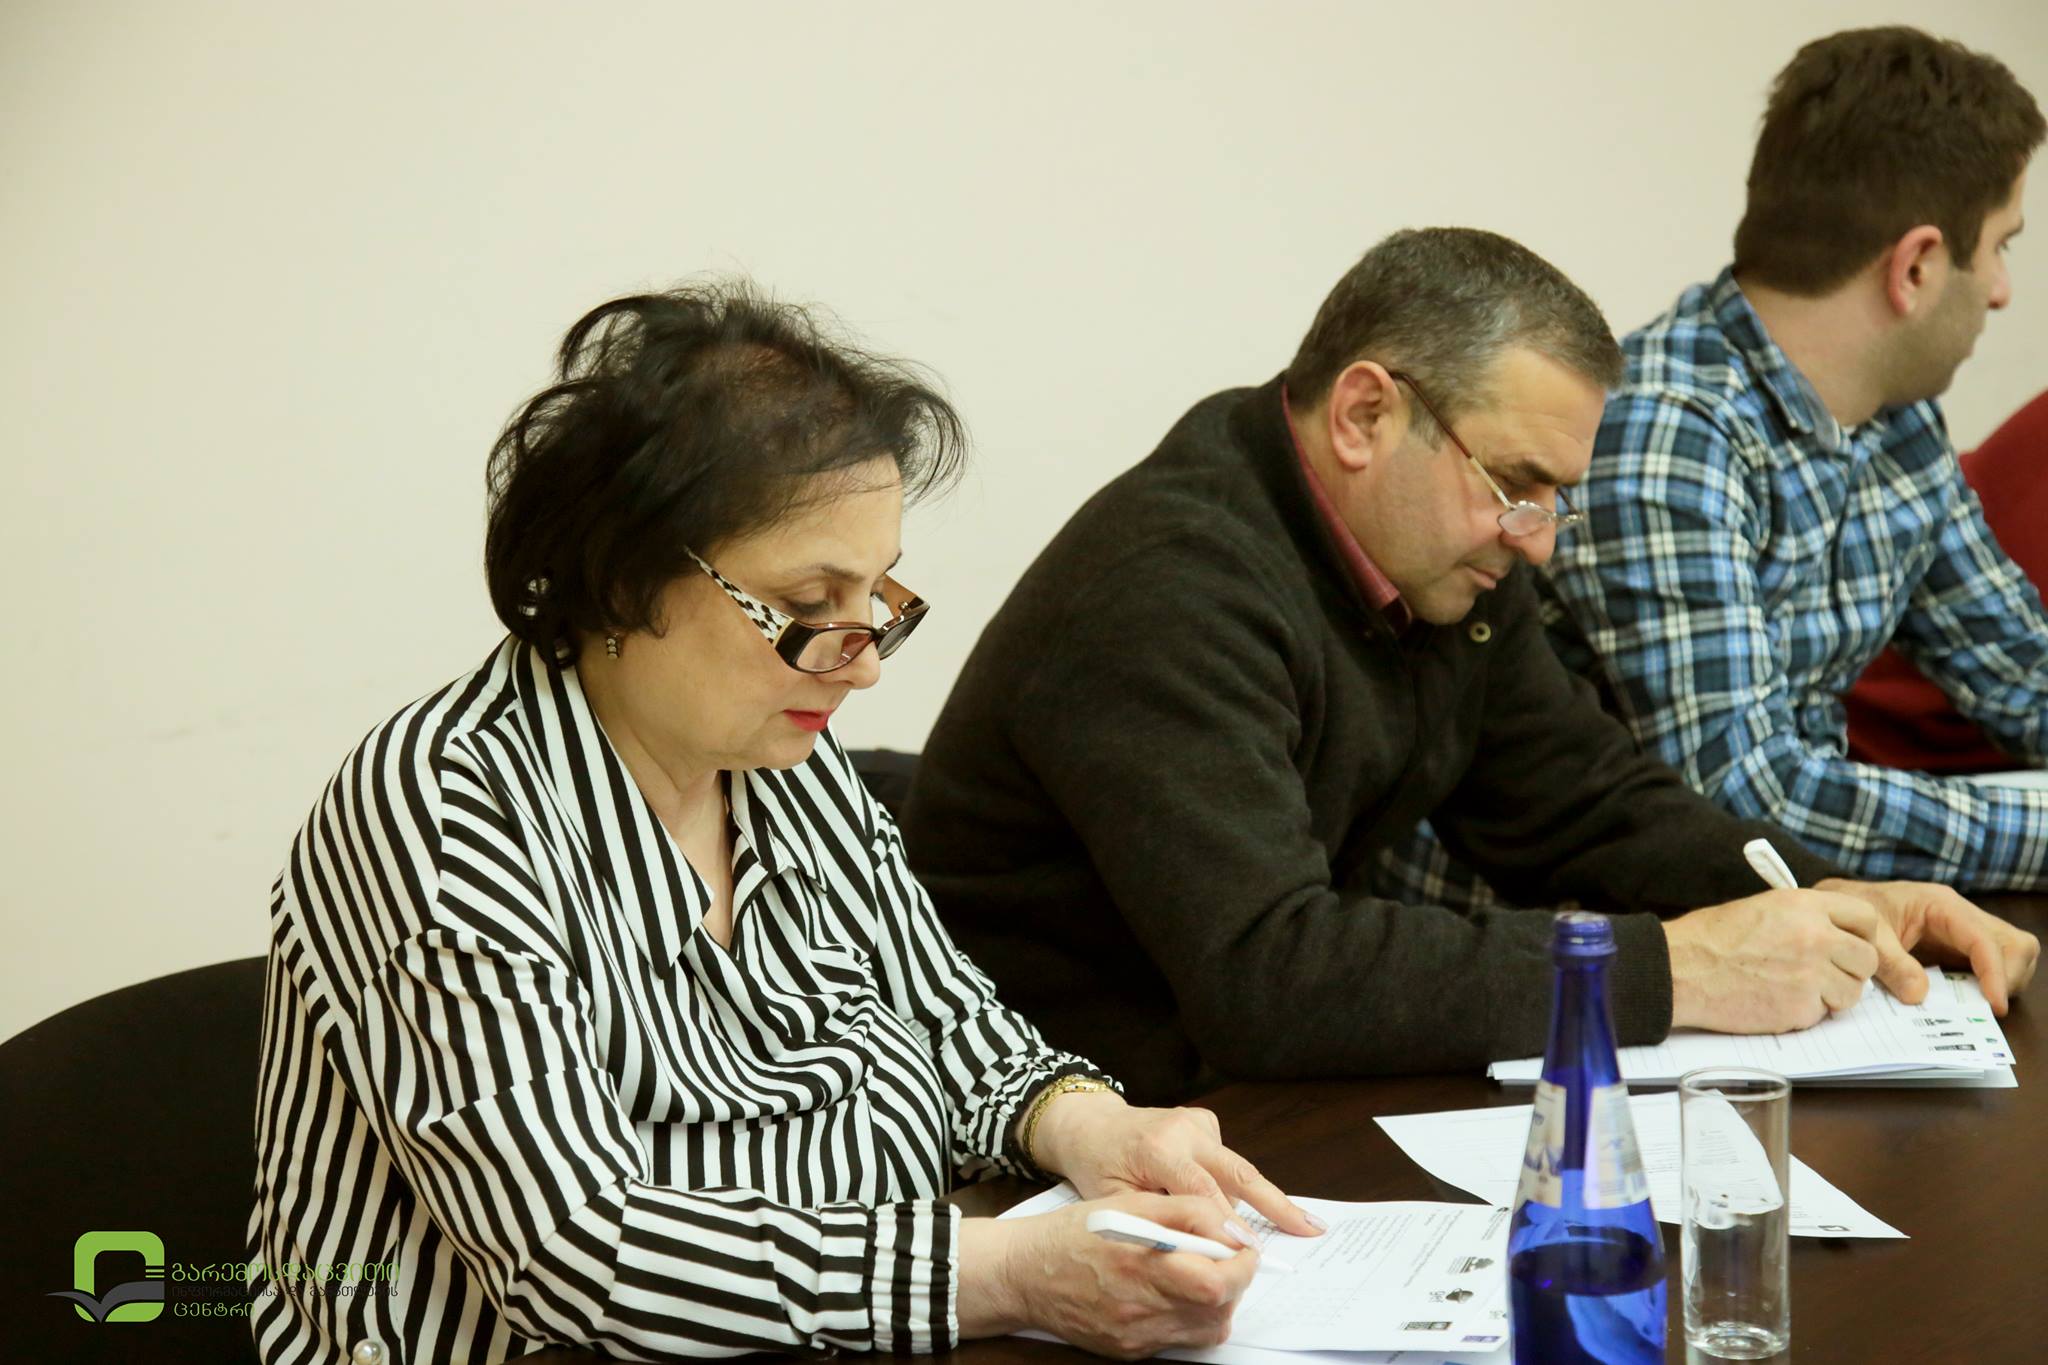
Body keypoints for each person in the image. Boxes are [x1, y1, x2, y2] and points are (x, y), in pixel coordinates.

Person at [247, 283, 1320, 1365]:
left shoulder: (780, 758)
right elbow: (573, 1253)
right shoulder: (443, 813)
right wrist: (998, 1269)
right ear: (623, 580)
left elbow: (945, 1019)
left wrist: (1088, 1123)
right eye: (808, 607)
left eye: (875, 599)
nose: (858, 663)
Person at [901, 228, 2038, 1105]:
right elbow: (1271, 974)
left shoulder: (1444, 559)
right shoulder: (1168, 588)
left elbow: (1581, 800)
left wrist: (1824, 899)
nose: (1536, 538)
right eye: (1513, 483)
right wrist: (1677, 969)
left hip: (1232, 1098)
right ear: (1363, 414)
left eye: (1553, 497)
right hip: (1051, 1119)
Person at [1529, 27, 2048, 889]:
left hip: (1761, 921)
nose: (2001, 289)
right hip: (1579, 940)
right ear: (1917, 267)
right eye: (2001, 245)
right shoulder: (1669, 435)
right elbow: (1748, 803)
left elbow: (2019, 670)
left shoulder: (1897, 416)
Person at [1845, 388, 2048, 775]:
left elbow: (2018, 678)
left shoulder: (1900, 413)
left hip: (1973, 761)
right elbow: (1762, 776)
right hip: (1873, 748)